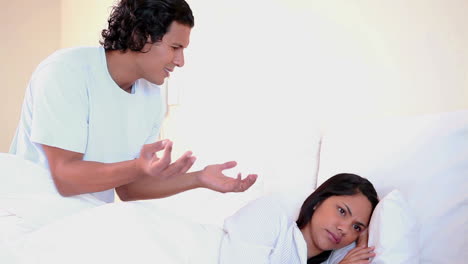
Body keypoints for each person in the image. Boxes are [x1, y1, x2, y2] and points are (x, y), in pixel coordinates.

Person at [9, 0, 257, 203]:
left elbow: (130, 189)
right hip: (31, 215)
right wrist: (138, 167)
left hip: (86, 221)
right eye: (175, 47)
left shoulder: (151, 97)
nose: (181, 61)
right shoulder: (65, 71)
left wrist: (199, 179)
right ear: (140, 37)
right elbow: (66, 178)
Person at [219, 173, 379, 264]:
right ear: (319, 200)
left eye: (356, 227)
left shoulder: (337, 258)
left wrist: (362, 243)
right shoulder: (269, 212)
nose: (344, 229)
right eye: (342, 211)